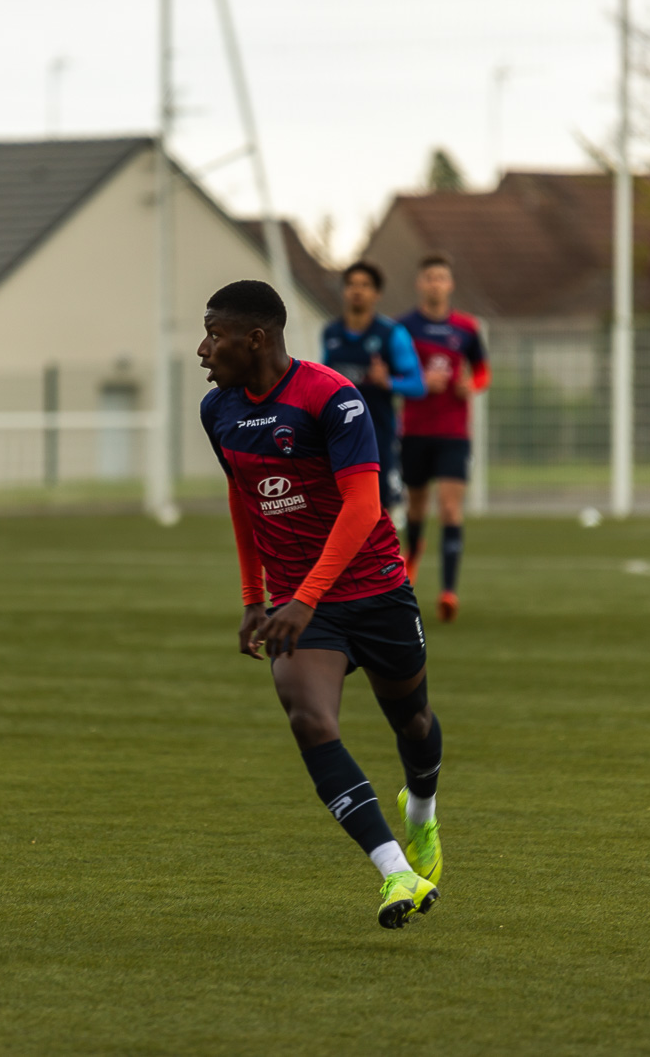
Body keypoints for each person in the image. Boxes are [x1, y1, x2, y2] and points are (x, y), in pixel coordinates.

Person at [199, 279, 444, 930]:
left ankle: (421, 811)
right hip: (298, 607)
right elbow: (242, 497)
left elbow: (364, 507)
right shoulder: (217, 410)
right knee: (310, 720)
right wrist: (255, 598)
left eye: (214, 335)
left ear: (256, 339)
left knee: (413, 722)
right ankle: (396, 871)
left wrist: (304, 598)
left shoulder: (332, 397)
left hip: (376, 589)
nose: (203, 349)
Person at [397, 254, 490, 623]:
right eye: (429, 277)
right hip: (414, 431)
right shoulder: (403, 328)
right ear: (420, 283)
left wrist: (473, 385)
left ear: (450, 284)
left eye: (441, 277)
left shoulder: (466, 328)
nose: (435, 283)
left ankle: (449, 592)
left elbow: (482, 370)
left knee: (451, 508)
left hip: (453, 433)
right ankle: (413, 557)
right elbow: (392, 373)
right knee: (416, 508)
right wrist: (419, 382)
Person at [320, 261, 425, 512]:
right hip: (337, 434)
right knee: (337, 506)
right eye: (351, 284)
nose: (357, 290)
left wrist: (387, 382)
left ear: (377, 293)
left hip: (377, 435)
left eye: (365, 285)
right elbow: (323, 380)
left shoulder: (391, 334)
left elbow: (418, 385)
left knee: (378, 508)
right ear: (344, 291)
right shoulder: (331, 333)